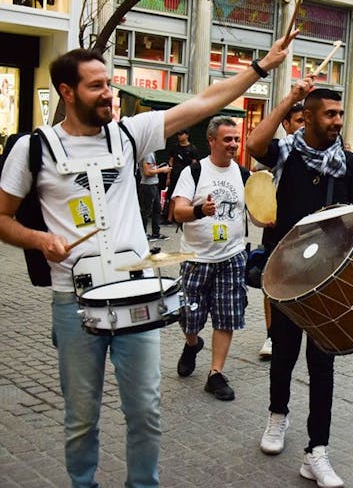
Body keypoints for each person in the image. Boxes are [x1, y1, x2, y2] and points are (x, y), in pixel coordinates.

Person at [0, 34, 292, 487]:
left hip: (136, 296)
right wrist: (39, 239)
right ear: (66, 91)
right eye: (96, 86)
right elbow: (1, 218)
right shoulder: (32, 149)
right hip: (73, 303)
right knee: (81, 417)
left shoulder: (128, 135)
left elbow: (203, 102)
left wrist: (260, 67)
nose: (108, 93)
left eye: (109, 84)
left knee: (146, 411)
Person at [246, 86, 353, 488]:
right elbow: (255, 144)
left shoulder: (347, 162)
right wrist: (287, 100)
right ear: (307, 117)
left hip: (329, 275)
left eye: (341, 114)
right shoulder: (286, 152)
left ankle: (316, 451)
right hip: (286, 272)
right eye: (330, 114)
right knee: (284, 353)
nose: (339, 121)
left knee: (323, 363)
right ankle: (277, 416)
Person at [171, 117, 249, 401]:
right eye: (227, 139)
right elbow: (177, 212)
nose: (233, 145)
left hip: (232, 256)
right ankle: (192, 344)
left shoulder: (243, 174)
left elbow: (257, 212)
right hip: (196, 258)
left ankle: (215, 374)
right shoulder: (194, 172)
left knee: (226, 316)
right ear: (212, 141)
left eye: (236, 139)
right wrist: (199, 211)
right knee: (189, 317)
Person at [257, 99, 306, 359]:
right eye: (298, 121)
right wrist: (264, 213)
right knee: (272, 282)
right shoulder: (278, 150)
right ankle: (272, 334)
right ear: (285, 124)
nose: (303, 127)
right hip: (278, 230)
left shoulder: (322, 154)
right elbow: (257, 185)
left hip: (307, 231)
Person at [163, 129, 199, 222]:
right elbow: (171, 162)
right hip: (174, 175)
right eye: (178, 134)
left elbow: (194, 164)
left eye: (181, 134)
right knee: (172, 196)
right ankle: (169, 218)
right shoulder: (174, 147)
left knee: (186, 196)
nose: (179, 136)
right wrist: (168, 176)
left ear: (187, 135)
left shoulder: (192, 149)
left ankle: (183, 217)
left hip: (186, 177)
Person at [138, 152, 171, 240]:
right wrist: (162, 170)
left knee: (157, 209)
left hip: (153, 184)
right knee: (146, 211)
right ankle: (142, 234)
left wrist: (158, 167)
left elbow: (150, 169)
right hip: (147, 185)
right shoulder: (148, 154)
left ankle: (156, 233)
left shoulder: (151, 153)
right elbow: (147, 172)